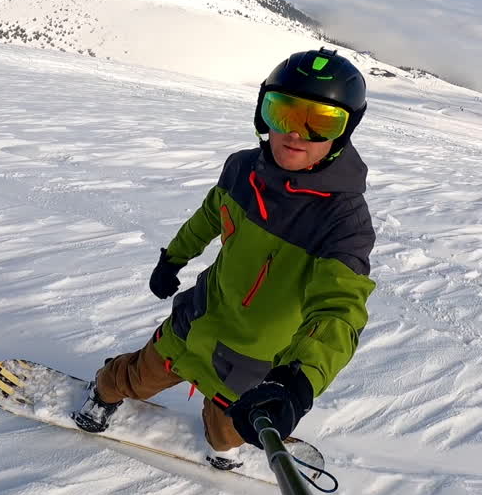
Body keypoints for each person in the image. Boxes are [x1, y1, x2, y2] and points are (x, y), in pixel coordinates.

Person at [76, 47, 376, 470]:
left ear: (343, 133)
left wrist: (299, 381)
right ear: (262, 112)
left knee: (227, 428)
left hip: (252, 362)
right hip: (194, 323)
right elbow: (208, 216)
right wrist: (174, 258)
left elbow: (340, 311)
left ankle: (224, 449)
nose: (295, 133)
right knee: (134, 378)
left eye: (320, 122)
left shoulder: (342, 222)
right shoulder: (242, 169)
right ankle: (101, 393)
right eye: (283, 112)